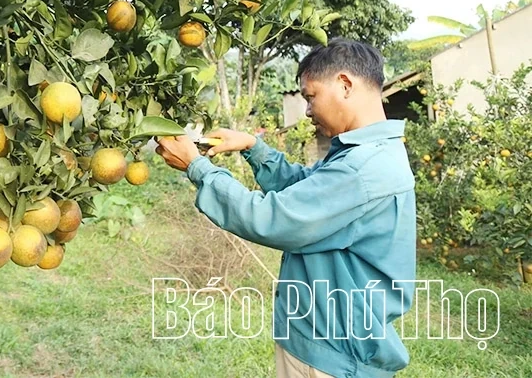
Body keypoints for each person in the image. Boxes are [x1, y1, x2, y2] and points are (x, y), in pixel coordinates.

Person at [157, 38, 416, 378]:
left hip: (330, 359)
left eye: (310, 96)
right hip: (322, 343)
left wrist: (197, 167)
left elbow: (272, 218)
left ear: (345, 85)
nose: (307, 110)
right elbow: (305, 189)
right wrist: (253, 147)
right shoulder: (365, 154)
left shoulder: (363, 168)